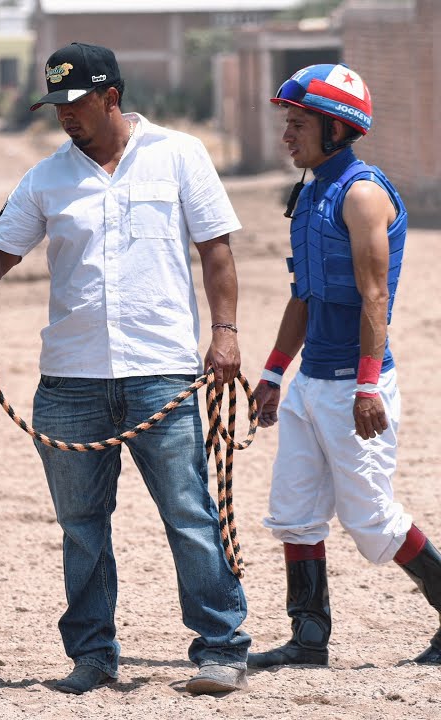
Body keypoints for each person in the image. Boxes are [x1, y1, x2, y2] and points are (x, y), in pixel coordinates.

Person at [0, 42, 250, 695]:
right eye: (56, 105)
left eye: (76, 103)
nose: (65, 116)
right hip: (70, 380)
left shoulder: (180, 154)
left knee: (190, 514)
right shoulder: (45, 177)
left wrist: (225, 333)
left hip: (162, 372)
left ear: (111, 97)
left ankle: (221, 648)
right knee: (81, 528)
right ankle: (92, 656)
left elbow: (216, 251)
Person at [248, 63, 441, 669]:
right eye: (286, 123)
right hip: (311, 384)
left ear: (336, 128)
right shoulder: (310, 193)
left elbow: (375, 297)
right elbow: (304, 296)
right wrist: (274, 373)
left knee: (373, 522)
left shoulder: (361, 194)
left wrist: (366, 386)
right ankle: (308, 639)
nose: (286, 135)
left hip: (357, 385)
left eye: (298, 124)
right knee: (295, 514)